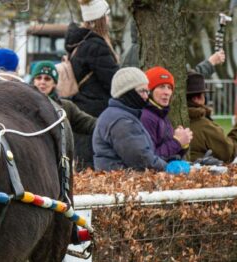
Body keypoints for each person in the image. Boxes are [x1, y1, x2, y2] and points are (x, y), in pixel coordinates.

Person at [65, 0, 119, 168]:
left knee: (82, 163)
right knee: (93, 165)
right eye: (107, 15)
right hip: (96, 112)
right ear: (101, 19)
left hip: (81, 108)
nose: (108, 19)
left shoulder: (78, 44)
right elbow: (114, 82)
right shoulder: (96, 46)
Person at [92, 67, 166, 171]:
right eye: (142, 91)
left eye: (147, 91)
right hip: (120, 179)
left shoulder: (121, 115)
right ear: (127, 92)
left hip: (119, 177)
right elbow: (141, 159)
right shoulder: (121, 121)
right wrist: (167, 168)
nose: (146, 96)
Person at [30, 61, 96, 137]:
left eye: (47, 79)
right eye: (39, 78)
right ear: (33, 81)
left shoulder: (66, 107)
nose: (42, 82)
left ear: (54, 84)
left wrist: (106, 125)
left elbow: (89, 124)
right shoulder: (25, 105)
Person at [140, 66, 192, 161]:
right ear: (149, 91)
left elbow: (171, 155)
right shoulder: (146, 117)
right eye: (161, 87)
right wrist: (177, 142)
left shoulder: (161, 114)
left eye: (169, 87)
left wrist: (183, 143)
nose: (167, 92)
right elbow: (150, 159)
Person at [187, 72, 237, 163]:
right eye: (204, 95)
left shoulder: (171, 119)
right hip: (200, 169)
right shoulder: (202, 125)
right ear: (197, 99)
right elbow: (230, 152)